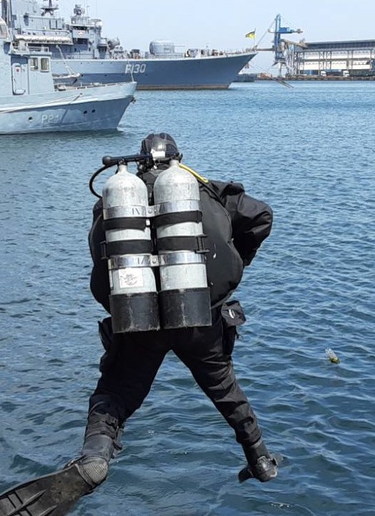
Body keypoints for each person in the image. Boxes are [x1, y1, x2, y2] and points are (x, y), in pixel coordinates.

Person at [78, 132, 278, 487]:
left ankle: (95, 458)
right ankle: (259, 457)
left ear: (140, 161)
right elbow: (262, 216)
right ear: (178, 159)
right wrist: (234, 264)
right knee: (224, 388)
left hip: (137, 315)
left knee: (115, 393)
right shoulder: (206, 190)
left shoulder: (115, 199)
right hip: (199, 311)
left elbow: (100, 252)